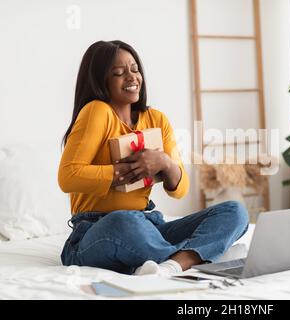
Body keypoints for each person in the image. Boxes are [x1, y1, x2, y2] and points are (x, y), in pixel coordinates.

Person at [58, 40, 249, 276]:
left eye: (135, 69)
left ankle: (172, 265)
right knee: (123, 222)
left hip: (149, 225)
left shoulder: (156, 119)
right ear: (100, 80)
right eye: (119, 73)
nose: (131, 77)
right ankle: (203, 255)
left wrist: (164, 163)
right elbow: (68, 177)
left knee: (234, 211)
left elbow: (180, 190)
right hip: (96, 231)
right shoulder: (97, 111)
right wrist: (125, 173)